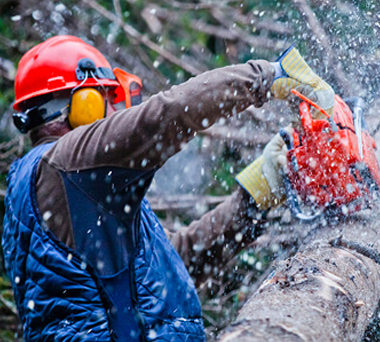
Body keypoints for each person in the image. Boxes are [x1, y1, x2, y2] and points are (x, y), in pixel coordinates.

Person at [2, 35, 334, 342]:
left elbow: (171, 265)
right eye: (106, 98)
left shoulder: (70, 186)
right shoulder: (68, 163)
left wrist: (255, 195)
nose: (114, 111)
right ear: (83, 103)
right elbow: (165, 115)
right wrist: (268, 75)